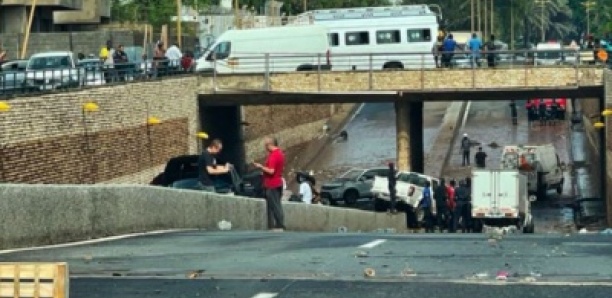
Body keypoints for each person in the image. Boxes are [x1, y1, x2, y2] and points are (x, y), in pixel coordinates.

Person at [253, 136, 286, 232]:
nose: (265, 147)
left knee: (275, 205)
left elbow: (271, 171)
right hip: (278, 183)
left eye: (265, 145)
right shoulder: (280, 153)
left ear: (270, 145)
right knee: (277, 204)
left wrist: (261, 167)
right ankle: (279, 224)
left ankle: (280, 225)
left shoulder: (274, 155)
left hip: (272, 184)